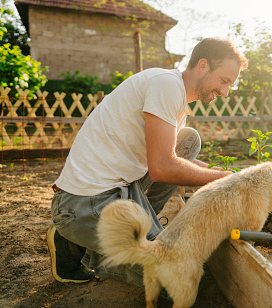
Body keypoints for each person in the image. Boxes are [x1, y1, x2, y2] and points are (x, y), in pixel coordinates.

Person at [47, 38, 248, 286]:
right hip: (85, 202)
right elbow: (162, 167)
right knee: (171, 278)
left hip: (120, 186)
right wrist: (222, 179)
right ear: (203, 66)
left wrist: (220, 172)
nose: (226, 92)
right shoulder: (166, 86)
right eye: (225, 81)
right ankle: (77, 240)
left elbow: (169, 157)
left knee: (188, 141)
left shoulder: (175, 95)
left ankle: (131, 229)